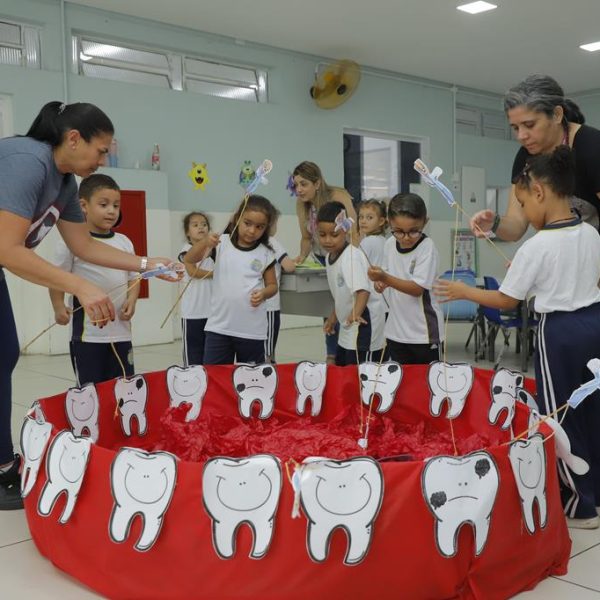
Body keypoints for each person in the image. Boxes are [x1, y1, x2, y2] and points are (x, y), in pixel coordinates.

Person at [0, 100, 180, 510]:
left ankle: (2, 464)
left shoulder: (64, 183)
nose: (105, 158)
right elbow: (8, 249)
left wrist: (149, 264)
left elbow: (83, 246)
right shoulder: (29, 161)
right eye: (101, 150)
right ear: (74, 139)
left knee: (4, 354)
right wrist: (78, 286)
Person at [436, 147, 600, 529]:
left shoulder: (537, 245)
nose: (524, 213)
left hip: (559, 332)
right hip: (594, 323)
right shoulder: (590, 231)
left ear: (539, 192)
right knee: (592, 407)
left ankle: (580, 504)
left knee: (559, 413)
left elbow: (507, 299)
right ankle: (595, 489)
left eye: (524, 204)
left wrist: (464, 292)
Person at [470, 74, 600, 240]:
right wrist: (493, 223)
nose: (521, 136)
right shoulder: (525, 158)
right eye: (515, 128)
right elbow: (516, 226)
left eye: (529, 125)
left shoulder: (593, 147)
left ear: (557, 115)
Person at [50, 174, 139, 384]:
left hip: (121, 334)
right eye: (103, 204)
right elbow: (57, 278)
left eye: (116, 205)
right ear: (83, 206)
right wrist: (57, 306)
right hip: (88, 337)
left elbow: (135, 275)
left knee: (124, 390)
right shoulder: (70, 243)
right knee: (89, 393)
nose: (111, 211)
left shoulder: (124, 242)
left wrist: (132, 299)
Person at [184, 195, 278, 365]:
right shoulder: (221, 243)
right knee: (215, 379)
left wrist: (264, 293)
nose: (252, 230)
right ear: (237, 219)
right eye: (247, 223)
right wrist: (205, 242)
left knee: (250, 382)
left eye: (259, 227)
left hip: (251, 331)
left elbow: (273, 286)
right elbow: (189, 259)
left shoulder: (266, 253)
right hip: (219, 328)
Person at [292, 161, 356, 364]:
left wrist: (353, 258)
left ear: (317, 183)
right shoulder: (302, 204)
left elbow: (354, 229)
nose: (299, 190)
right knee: (328, 306)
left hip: (344, 253)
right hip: (322, 257)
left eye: (303, 184)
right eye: (296, 185)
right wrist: (300, 258)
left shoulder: (337, 196)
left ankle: (350, 350)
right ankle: (331, 353)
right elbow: (306, 238)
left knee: (345, 301)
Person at [368, 193, 444, 364]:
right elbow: (388, 277)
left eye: (413, 231)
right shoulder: (389, 245)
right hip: (396, 331)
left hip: (424, 334)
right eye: (399, 232)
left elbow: (417, 289)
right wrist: (380, 283)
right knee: (401, 384)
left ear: (425, 222)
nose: (406, 237)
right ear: (389, 223)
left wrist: (385, 278)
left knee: (428, 384)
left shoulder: (427, 248)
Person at [317, 201, 385, 366]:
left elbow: (363, 292)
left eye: (334, 235)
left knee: (364, 374)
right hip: (348, 324)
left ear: (345, 231)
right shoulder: (329, 257)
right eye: (322, 234)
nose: (327, 240)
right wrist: (333, 318)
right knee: (345, 369)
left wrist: (355, 314)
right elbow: (342, 295)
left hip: (363, 323)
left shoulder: (351, 257)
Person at [178, 211, 214, 366]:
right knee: (193, 358)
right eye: (195, 225)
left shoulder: (213, 250)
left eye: (204, 224)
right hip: (192, 313)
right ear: (187, 232)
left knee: (211, 357)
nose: (201, 227)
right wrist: (216, 274)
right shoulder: (185, 250)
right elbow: (192, 272)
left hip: (212, 313)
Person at [265, 209, 296, 363]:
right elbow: (289, 266)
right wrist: (293, 262)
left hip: (252, 305)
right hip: (269, 305)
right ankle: (269, 369)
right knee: (268, 348)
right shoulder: (272, 242)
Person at [358, 198, 387, 266]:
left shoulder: (367, 241)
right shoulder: (385, 240)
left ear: (381, 221)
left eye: (369, 217)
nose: (363, 221)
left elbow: (358, 265)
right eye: (361, 217)